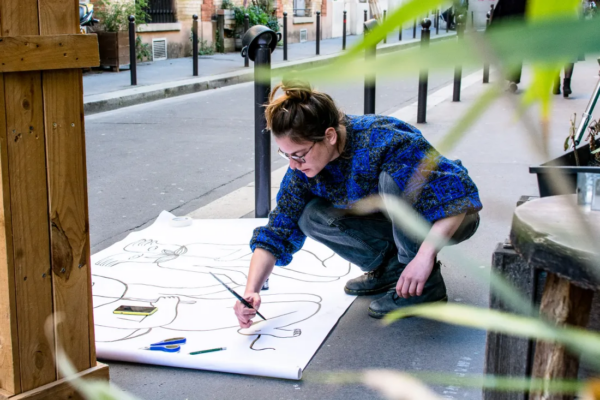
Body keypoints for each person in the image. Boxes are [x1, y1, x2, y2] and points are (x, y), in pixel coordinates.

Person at [233, 80, 482, 328]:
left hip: (448, 218)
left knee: (392, 179)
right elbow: (278, 229)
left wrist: (423, 257)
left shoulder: (383, 138)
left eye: (299, 154)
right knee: (308, 215)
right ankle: (391, 270)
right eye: (286, 155)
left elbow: (457, 196)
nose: (293, 164)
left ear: (330, 136)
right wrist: (251, 291)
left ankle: (425, 287)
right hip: (393, 224)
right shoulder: (301, 173)